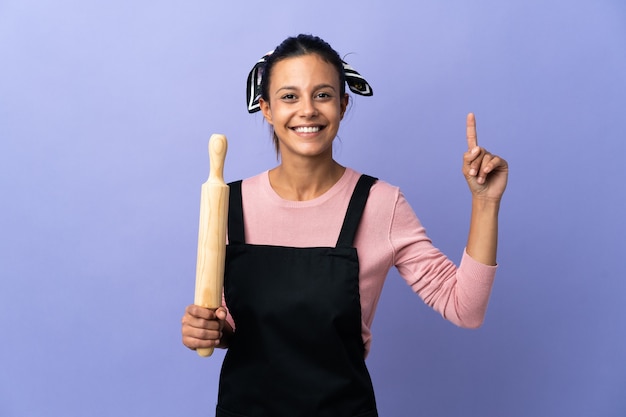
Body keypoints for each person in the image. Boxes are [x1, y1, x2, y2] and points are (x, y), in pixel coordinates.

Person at [181, 34, 508, 417]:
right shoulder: (228, 203)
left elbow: (464, 309)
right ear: (266, 109)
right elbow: (227, 321)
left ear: (342, 103)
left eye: (322, 95)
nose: (307, 110)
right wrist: (208, 330)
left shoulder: (380, 204)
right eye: (289, 96)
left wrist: (485, 203)